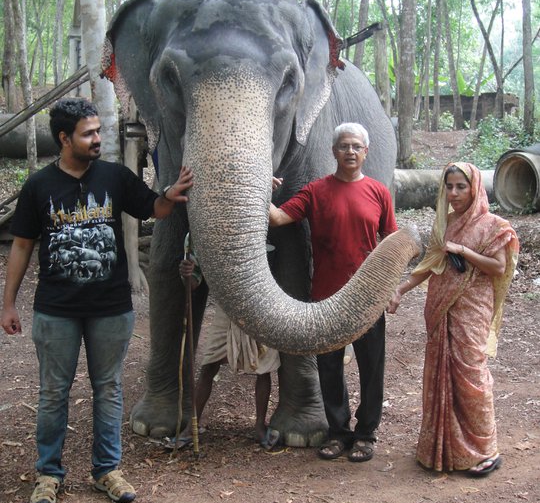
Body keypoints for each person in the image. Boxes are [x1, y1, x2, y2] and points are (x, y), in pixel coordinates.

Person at [0, 98, 193, 503]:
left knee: (108, 389)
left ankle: (107, 469)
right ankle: (48, 474)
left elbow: (153, 208)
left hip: (110, 307)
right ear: (64, 138)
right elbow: (21, 245)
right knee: (54, 393)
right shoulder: (39, 186)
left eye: (99, 131)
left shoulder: (115, 177)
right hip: (56, 309)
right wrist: (8, 303)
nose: (98, 140)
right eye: (89, 133)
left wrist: (171, 195)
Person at [269, 122, 397, 463]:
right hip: (326, 298)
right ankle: (338, 432)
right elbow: (279, 218)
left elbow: (391, 242)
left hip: (368, 298)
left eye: (356, 146)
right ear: (334, 151)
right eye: (344, 146)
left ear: (366, 152)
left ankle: (366, 434)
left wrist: (391, 288)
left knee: (372, 368)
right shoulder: (316, 191)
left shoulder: (378, 192)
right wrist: (259, 190)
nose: (350, 152)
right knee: (329, 368)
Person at [387, 162, 519, 476]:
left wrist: (463, 250)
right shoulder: (444, 223)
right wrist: (401, 289)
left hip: (472, 310)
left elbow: (498, 267)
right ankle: (443, 449)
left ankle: (485, 450)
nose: (455, 193)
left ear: (475, 188)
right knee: (441, 373)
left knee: (471, 375)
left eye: (461, 186)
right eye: (450, 186)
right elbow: (430, 263)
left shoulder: (493, 225)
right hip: (440, 307)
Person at [178, 239, 281, 450]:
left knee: (264, 369)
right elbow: (195, 282)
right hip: (227, 306)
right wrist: (187, 273)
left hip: (260, 301)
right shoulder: (197, 234)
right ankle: (191, 427)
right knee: (209, 366)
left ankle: (259, 426)